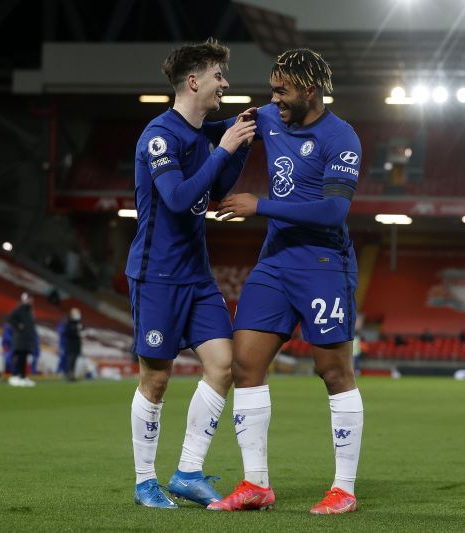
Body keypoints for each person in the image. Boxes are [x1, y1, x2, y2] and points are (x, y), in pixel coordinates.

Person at [210, 48, 363, 514]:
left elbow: (333, 210)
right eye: (272, 88)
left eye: (282, 90)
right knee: (244, 365)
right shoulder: (268, 119)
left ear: (310, 90)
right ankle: (256, 483)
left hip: (323, 264)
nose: (273, 98)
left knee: (333, 371)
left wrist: (261, 206)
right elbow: (215, 139)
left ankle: (344, 489)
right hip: (274, 263)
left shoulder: (342, 137)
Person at [124, 38, 256, 509]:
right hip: (156, 275)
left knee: (225, 365)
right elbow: (179, 200)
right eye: (219, 75)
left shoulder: (203, 136)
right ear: (194, 80)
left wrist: (238, 145)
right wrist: (223, 147)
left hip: (197, 277)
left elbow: (217, 187)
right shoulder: (159, 135)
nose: (225, 83)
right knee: (155, 381)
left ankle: (186, 472)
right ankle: (144, 482)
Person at [5, 293, 38, 387]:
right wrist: (18, 327)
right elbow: (10, 318)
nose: (30, 301)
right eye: (28, 299)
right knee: (19, 358)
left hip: (27, 339)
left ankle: (23, 377)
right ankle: (15, 376)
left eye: (31, 299)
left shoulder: (29, 311)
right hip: (20, 339)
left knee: (24, 359)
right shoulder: (20, 309)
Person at [59, 308, 83, 381]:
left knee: (74, 360)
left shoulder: (78, 322)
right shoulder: (68, 322)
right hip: (70, 344)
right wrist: (76, 334)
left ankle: (72, 374)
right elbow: (67, 333)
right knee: (70, 359)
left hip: (76, 344)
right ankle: (68, 374)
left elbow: (81, 330)